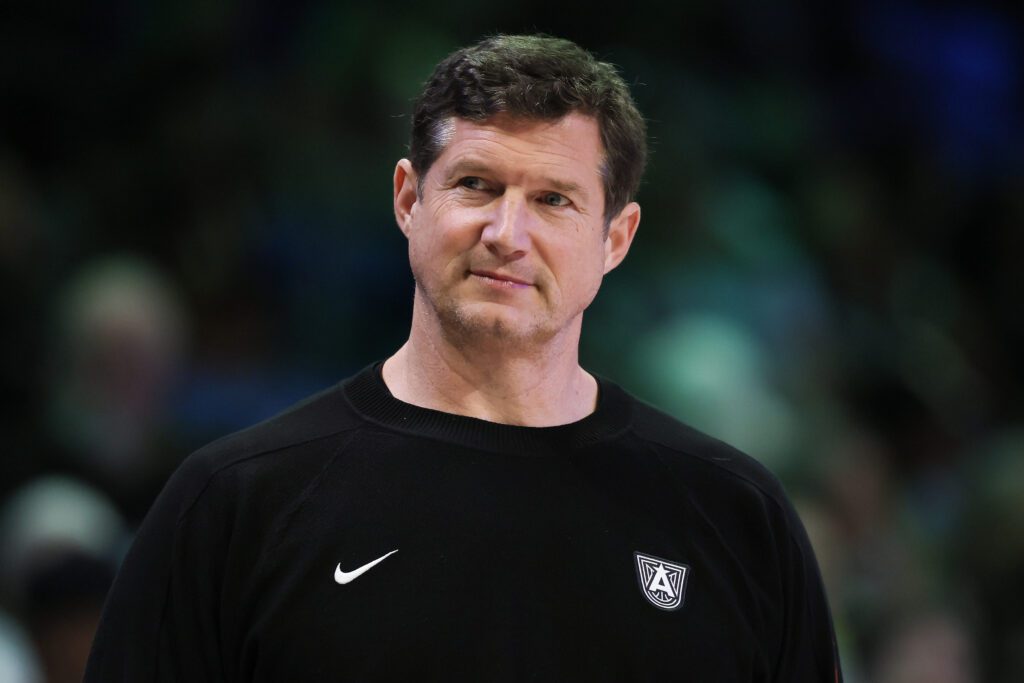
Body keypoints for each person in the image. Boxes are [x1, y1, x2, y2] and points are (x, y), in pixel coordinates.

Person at [85, 34, 843, 681]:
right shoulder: (234, 503)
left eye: (554, 199)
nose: (507, 233)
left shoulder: (737, 518)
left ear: (617, 236)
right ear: (409, 199)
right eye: (476, 184)